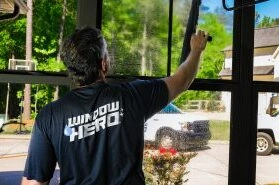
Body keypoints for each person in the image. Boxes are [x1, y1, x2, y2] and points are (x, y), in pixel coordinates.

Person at [21, 27, 208, 185]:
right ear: (104, 64)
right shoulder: (134, 95)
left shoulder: (49, 116)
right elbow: (183, 79)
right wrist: (196, 50)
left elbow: (33, 183)